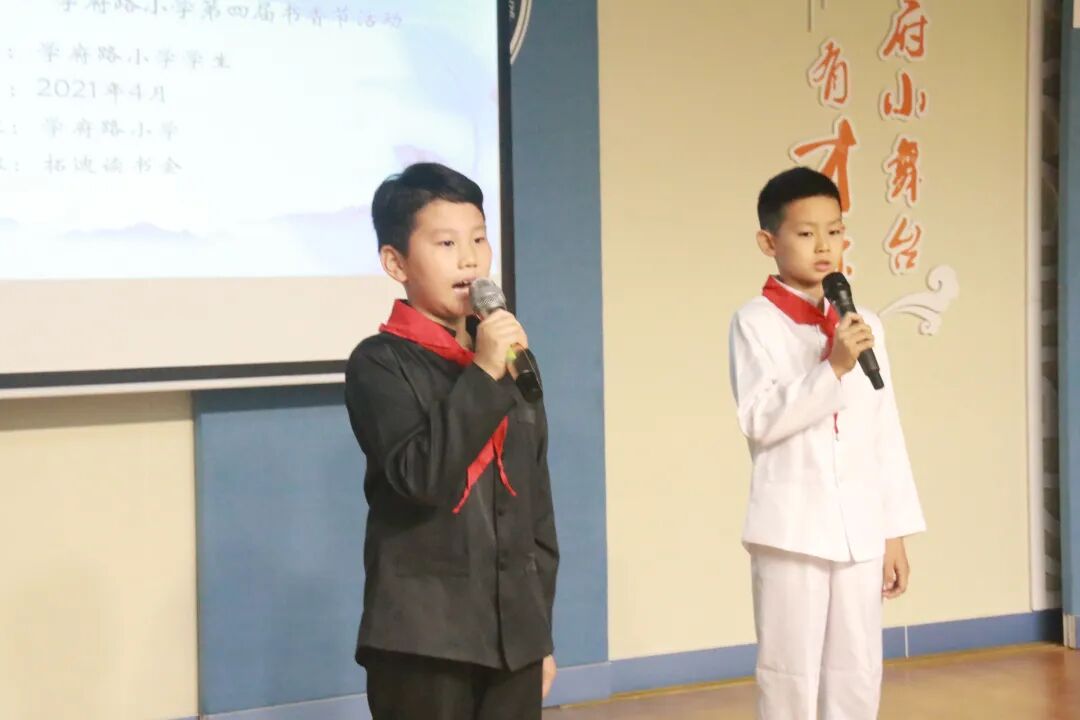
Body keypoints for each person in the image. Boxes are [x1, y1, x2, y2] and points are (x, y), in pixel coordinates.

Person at [344, 162, 559, 719]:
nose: (470, 259)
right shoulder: (380, 363)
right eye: (446, 243)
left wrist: (539, 631)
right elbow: (419, 477)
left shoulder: (510, 359)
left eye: (479, 240)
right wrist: (483, 373)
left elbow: (536, 509)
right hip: (424, 641)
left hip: (513, 638)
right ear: (396, 263)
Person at [728, 166, 926, 719]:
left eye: (834, 231)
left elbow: (884, 429)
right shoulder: (754, 322)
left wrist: (893, 531)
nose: (824, 246)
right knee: (789, 673)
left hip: (860, 529)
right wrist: (833, 367)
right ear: (768, 241)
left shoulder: (864, 325)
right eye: (806, 233)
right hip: (792, 529)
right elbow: (760, 418)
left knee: (857, 670)